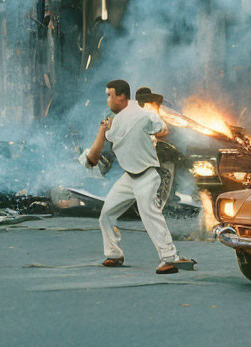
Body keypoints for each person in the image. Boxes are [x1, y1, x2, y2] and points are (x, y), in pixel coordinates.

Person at [84, 80, 195, 273]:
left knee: (150, 215)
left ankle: (169, 258)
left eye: (110, 95)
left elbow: (164, 130)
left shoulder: (144, 115)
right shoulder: (115, 120)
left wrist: (152, 134)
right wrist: (104, 130)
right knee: (106, 215)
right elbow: (96, 153)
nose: (108, 100)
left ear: (122, 96)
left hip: (146, 176)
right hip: (129, 178)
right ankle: (114, 254)